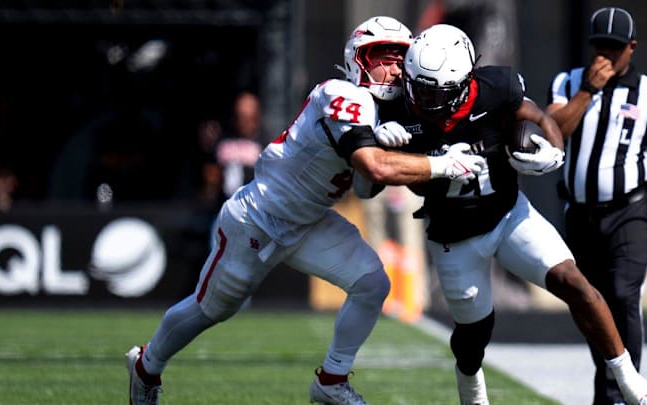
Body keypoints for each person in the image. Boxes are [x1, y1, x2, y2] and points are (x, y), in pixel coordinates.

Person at [126, 16, 489, 405]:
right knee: (211, 309)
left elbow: (366, 190)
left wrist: (391, 145)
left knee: (372, 284)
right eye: (382, 57)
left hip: (310, 221)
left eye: (400, 58)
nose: (394, 67)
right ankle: (146, 365)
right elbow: (372, 167)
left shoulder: (388, 114)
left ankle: (331, 381)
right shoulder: (341, 94)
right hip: (260, 217)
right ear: (358, 60)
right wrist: (438, 165)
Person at [369, 24, 647, 404]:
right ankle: (472, 389)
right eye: (420, 86)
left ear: (465, 83)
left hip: (508, 214)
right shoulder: (395, 109)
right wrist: (393, 148)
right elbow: (406, 184)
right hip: (453, 235)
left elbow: (539, 117)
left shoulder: (496, 89)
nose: (425, 98)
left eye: (437, 91)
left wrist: (554, 150)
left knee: (573, 281)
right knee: (473, 336)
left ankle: (631, 382)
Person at [546, 7, 647, 404]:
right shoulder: (567, 83)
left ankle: (621, 393)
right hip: (580, 213)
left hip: (631, 211)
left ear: (632, 48)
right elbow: (554, 132)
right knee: (588, 302)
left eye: (614, 47)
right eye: (599, 47)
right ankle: (613, 380)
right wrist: (587, 92)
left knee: (623, 295)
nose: (605, 55)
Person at [216, 91, 265, 197]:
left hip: (251, 206)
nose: (244, 122)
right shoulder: (223, 141)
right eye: (241, 116)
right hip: (221, 206)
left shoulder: (265, 144)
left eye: (249, 118)